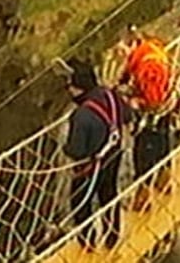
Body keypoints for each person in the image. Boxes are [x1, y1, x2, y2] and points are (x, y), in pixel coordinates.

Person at [63, 60, 131, 251]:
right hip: (114, 155)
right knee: (108, 194)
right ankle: (112, 236)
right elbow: (127, 116)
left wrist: (65, 149)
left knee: (80, 203)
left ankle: (88, 242)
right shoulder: (110, 95)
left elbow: (76, 150)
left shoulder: (81, 116)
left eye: (71, 87)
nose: (69, 90)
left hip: (90, 167)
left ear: (78, 89)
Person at [117, 29, 173, 211]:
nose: (121, 55)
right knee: (163, 144)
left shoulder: (149, 67)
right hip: (165, 106)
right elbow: (131, 67)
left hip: (155, 113)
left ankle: (143, 197)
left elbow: (154, 100)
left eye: (123, 50)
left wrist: (135, 102)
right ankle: (163, 181)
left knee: (143, 153)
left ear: (132, 45)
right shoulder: (149, 49)